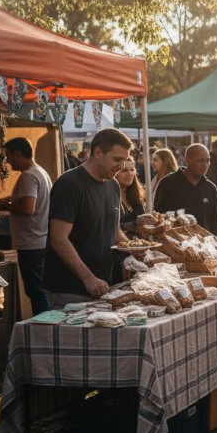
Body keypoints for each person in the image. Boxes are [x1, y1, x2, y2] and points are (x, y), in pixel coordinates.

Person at [43, 128, 131, 307]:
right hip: (70, 290)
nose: (121, 167)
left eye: (124, 160)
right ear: (97, 152)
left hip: (104, 287)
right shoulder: (69, 184)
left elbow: (115, 231)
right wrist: (88, 278)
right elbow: (59, 239)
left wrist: (139, 253)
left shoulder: (113, 185)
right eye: (117, 159)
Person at [0, 137, 51, 314]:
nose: (8, 161)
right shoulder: (40, 172)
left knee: (36, 292)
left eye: (9, 156)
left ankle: (42, 329)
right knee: (39, 291)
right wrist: (7, 201)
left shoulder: (28, 175)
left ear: (18, 155)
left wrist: (4, 206)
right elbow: (26, 199)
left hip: (31, 243)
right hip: (39, 240)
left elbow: (27, 208)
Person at [154, 143, 217, 235]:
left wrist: (216, 242)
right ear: (187, 160)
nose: (205, 165)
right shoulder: (167, 183)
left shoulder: (210, 188)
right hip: (175, 243)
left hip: (206, 245)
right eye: (201, 161)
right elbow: (158, 217)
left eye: (208, 161)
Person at [117, 158, 146, 237]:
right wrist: (134, 224)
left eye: (132, 170)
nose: (129, 173)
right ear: (115, 173)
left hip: (141, 244)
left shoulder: (136, 194)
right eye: (124, 170)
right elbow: (111, 227)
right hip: (119, 246)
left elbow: (143, 218)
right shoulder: (109, 196)